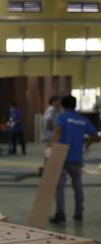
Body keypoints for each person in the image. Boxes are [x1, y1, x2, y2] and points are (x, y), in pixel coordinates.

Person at [48, 95, 99, 224]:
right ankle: (78, 214)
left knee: (59, 186)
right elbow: (95, 134)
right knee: (77, 186)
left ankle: (60, 215)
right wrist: (87, 145)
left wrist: (51, 146)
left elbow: (58, 129)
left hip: (62, 155)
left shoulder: (62, 116)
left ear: (63, 106)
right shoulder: (82, 119)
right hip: (77, 156)